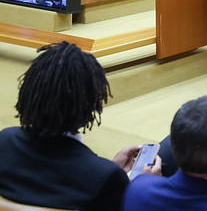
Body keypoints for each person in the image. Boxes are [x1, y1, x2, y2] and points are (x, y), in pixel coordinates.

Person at [0, 42, 162, 210]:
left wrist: (107, 168)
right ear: (90, 105)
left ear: (28, 91)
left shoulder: (4, 140)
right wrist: (144, 187)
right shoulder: (107, 178)